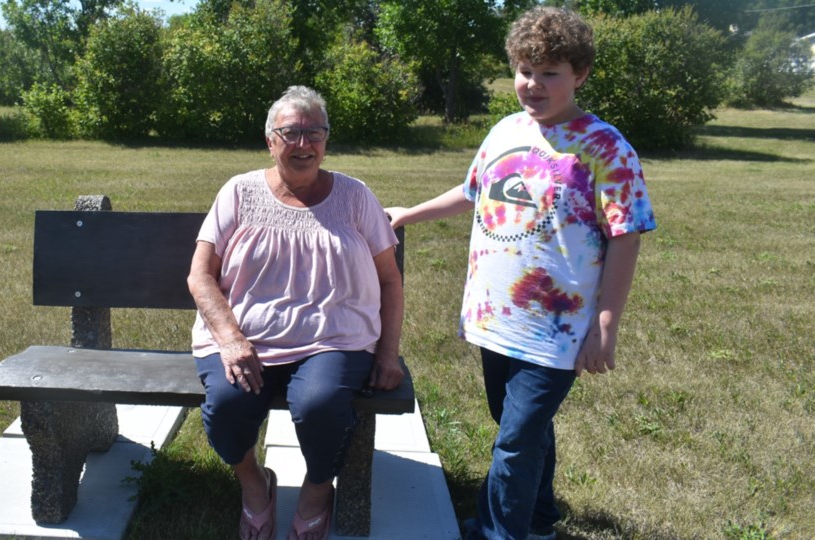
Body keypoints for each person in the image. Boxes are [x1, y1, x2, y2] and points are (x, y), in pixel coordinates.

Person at [385, 7, 656, 540]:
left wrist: (606, 323)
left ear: (579, 75)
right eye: (525, 70)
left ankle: (499, 532)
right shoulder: (506, 130)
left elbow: (626, 235)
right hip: (495, 315)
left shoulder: (605, 148)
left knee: (516, 438)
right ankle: (536, 520)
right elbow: (471, 193)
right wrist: (408, 213)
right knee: (521, 430)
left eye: (549, 73)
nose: (533, 85)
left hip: (557, 327)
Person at [187, 85, 404, 540]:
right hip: (245, 337)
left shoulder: (355, 196)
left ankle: (316, 493)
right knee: (226, 407)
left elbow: (388, 279)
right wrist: (229, 338)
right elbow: (200, 275)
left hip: (334, 338)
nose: (304, 144)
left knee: (320, 404)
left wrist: (387, 353)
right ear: (270, 140)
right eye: (291, 133)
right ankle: (253, 484)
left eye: (315, 133)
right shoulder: (239, 192)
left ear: (326, 140)